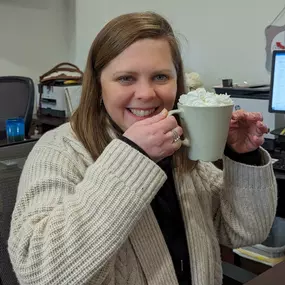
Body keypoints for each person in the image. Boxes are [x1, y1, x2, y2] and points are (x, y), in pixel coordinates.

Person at [8, 12, 277, 285]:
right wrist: (132, 156)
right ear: (99, 85)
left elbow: (245, 232)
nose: (147, 94)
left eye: (161, 77)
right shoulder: (58, 150)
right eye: (126, 78)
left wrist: (245, 157)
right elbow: (38, 273)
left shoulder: (184, 143)